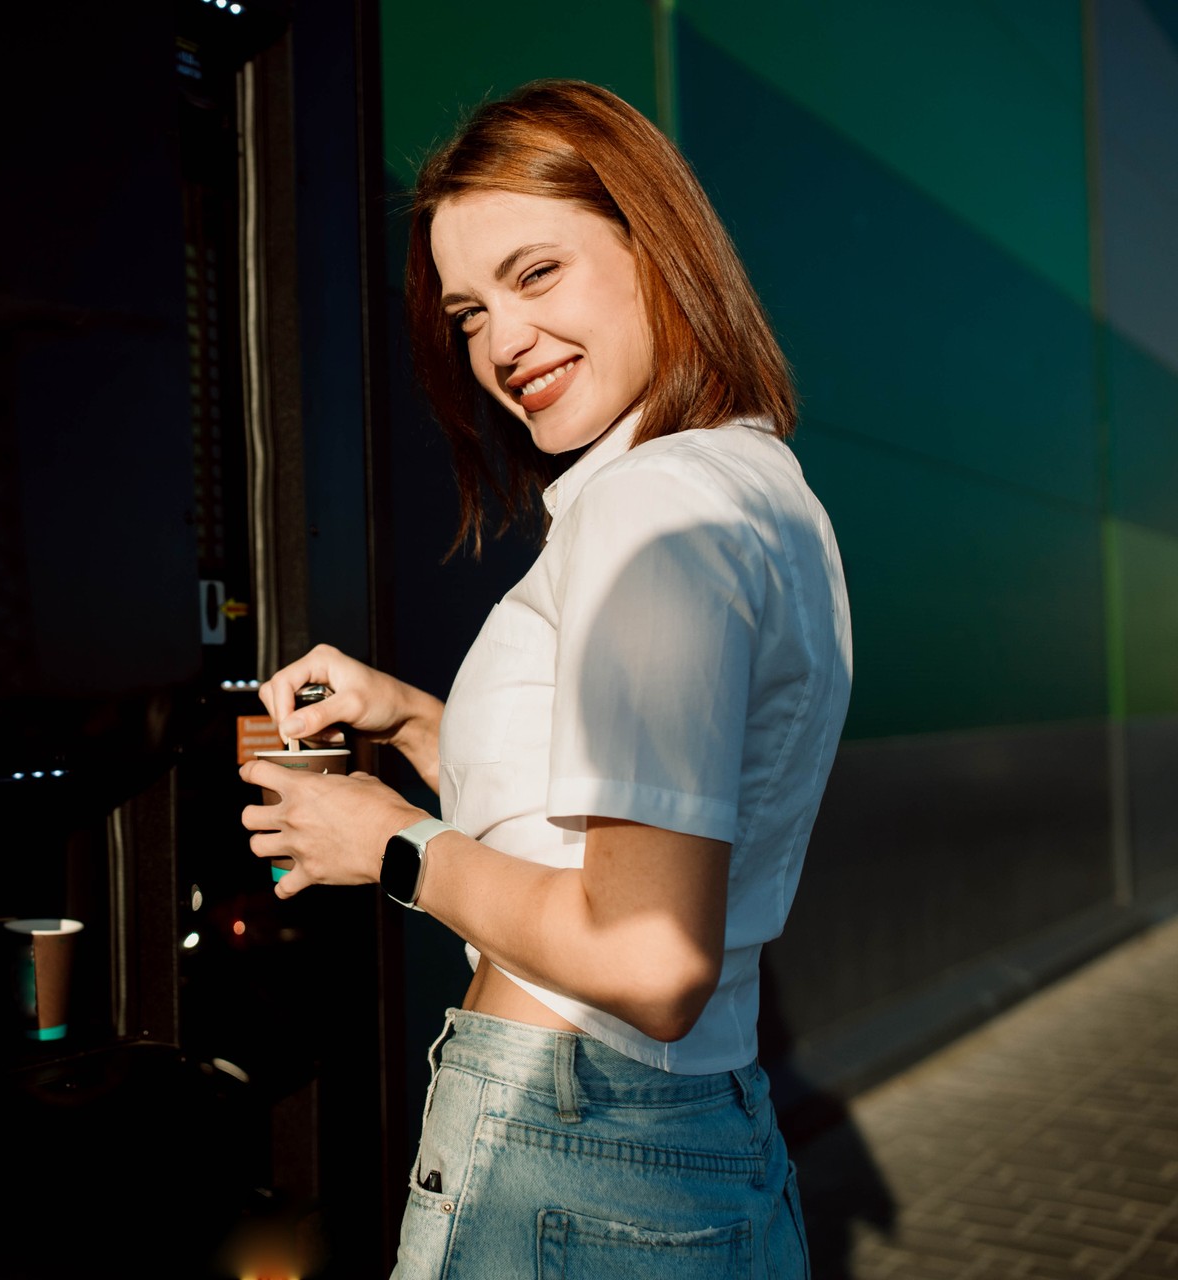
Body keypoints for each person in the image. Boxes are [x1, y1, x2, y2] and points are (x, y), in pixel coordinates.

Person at [240, 80, 851, 1277]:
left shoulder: (649, 509)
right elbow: (599, 833)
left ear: (654, 247)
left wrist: (395, 845)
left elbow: (646, 958)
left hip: (568, 1153)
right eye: (467, 312)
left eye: (536, 275)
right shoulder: (757, 485)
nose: (500, 344)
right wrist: (418, 716)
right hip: (677, 1141)